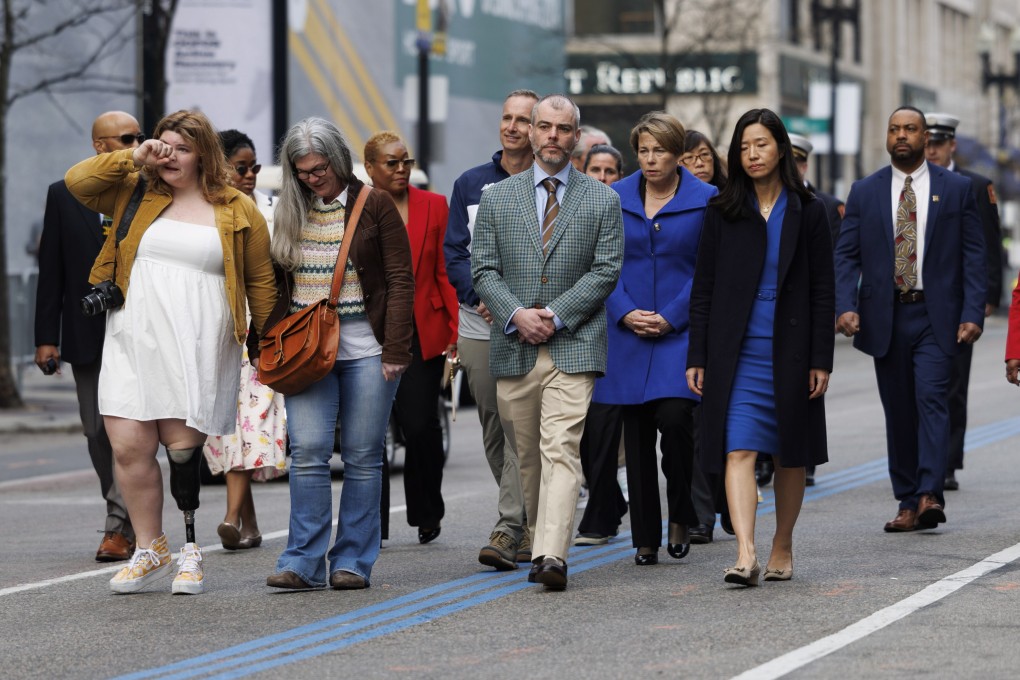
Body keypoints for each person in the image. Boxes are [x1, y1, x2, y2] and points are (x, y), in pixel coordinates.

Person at [64, 109, 277, 594]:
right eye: (163, 146)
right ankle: (149, 547)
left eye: (181, 148)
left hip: (198, 338)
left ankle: (189, 550)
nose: (170, 156)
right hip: (133, 334)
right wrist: (132, 156)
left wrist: (266, 344)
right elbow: (77, 182)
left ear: (204, 153)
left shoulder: (235, 207)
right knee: (128, 446)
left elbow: (261, 281)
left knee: (182, 453)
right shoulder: (134, 190)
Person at [472, 93, 623, 590]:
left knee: (562, 447)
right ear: (533, 133)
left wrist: (556, 316)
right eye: (546, 127)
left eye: (564, 129)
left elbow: (606, 270)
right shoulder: (497, 198)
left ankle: (551, 556)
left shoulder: (602, 198)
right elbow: (484, 269)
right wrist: (517, 313)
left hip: (573, 343)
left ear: (576, 138)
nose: (553, 136)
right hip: (514, 343)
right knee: (528, 454)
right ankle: (538, 538)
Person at [264, 117, 413, 591]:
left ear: (340, 160)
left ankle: (352, 560)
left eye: (321, 168)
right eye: (304, 171)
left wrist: (396, 348)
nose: (314, 178)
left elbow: (399, 280)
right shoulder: (287, 210)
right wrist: (262, 344)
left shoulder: (375, 204)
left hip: (368, 348)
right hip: (306, 350)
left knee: (364, 455)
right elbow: (271, 285)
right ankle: (301, 561)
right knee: (307, 452)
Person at [687, 108, 834, 586]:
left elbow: (822, 290)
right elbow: (703, 288)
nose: (752, 155)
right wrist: (698, 355)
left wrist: (820, 359)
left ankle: (782, 544)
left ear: (781, 150)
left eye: (762, 145)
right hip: (738, 348)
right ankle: (745, 554)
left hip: (791, 347)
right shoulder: (722, 210)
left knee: (791, 454)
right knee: (738, 450)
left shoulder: (808, 210)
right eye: (744, 147)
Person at [834, 106, 985, 533]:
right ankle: (906, 500)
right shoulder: (865, 191)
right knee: (898, 410)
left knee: (931, 399)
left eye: (910, 129)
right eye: (895, 129)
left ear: (925, 137)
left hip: (937, 316)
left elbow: (974, 255)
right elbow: (845, 255)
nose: (902, 136)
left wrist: (973, 311)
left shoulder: (955, 189)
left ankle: (929, 494)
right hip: (886, 316)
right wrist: (845, 305)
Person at [592, 112, 717, 566]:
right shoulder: (613, 196)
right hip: (628, 332)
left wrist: (671, 317)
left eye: (659, 151)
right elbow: (602, 263)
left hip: (678, 333)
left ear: (678, 154)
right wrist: (625, 312)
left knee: (676, 420)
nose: (649, 160)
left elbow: (708, 269)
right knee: (638, 435)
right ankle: (645, 536)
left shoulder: (707, 199)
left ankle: (682, 512)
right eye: (642, 151)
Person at [34, 111, 143, 562]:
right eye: (126, 138)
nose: (138, 143)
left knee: (140, 427)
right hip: (87, 330)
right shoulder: (64, 193)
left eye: (141, 135)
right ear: (100, 146)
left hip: (143, 328)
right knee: (97, 429)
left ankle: (134, 517)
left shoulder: (153, 187)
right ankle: (123, 518)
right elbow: (52, 269)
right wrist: (46, 337)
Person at [445, 89, 538, 571]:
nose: (513, 126)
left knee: (521, 423)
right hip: (479, 322)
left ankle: (509, 525)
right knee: (493, 425)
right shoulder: (471, 183)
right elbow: (455, 252)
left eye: (524, 119)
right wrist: (481, 299)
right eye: (507, 117)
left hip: (533, 324)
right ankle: (524, 521)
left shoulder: (552, 183)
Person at [364, 131, 458, 545]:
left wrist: (455, 330)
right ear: (370, 168)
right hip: (367, 332)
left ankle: (426, 511)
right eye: (392, 163)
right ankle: (374, 524)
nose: (402, 169)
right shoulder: (354, 208)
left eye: (406, 161)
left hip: (422, 330)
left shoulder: (434, 205)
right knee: (369, 431)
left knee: (420, 426)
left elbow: (445, 272)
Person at [202, 129, 287, 551]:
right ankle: (249, 525)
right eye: (242, 167)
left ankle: (232, 517)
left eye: (254, 167)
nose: (250, 174)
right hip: (215, 334)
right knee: (224, 427)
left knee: (248, 424)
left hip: (260, 334)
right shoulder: (202, 215)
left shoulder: (271, 212)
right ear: (219, 167)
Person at [924, 112, 1002, 491]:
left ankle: (949, 461)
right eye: (927, 144)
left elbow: (988, 246)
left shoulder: (975, 186)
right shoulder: (911, 184)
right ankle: (924, 459)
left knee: (953, 385)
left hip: (958, 301)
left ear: (951, 145)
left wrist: (987, 297)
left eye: (938, 144)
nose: (932, 150)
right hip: (919, 301)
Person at [573, 139, 627, 547]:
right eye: (597, 171)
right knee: (588, 431)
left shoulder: (629, 210)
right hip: (581, 328)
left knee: (607, 424)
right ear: (584, 171)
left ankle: (599, 514)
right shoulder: (574, 210)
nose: (604, 178)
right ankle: (609, 500)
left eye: (611, 172)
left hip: (624, 330)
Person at [787, 132, 846, 488]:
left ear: (804, 164)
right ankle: (765, 459)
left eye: (795, 161)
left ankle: (804, 457)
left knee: (805, 386)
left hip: (807, 309)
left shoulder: (825, 205)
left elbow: (834, 264)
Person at [679, 129, 728, 543]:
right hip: (684, 321)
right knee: (694, 421)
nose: (698, 163)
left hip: (724, 323)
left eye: (703, 155)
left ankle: (727, 499)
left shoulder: (728, 202)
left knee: (721, 421)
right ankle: (701, 512)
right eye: (689, 157)